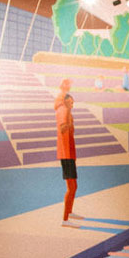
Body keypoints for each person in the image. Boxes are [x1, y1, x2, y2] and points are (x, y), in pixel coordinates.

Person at [55, 77, 78, 222]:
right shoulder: (63, 110)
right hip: (66, 153)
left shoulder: (67, 111)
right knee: (71, 187)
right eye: (71, 102)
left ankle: (69, 212)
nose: (73, 104)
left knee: (74, 186)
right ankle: (65, 218)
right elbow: (63, 128)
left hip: (70, 153)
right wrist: (69, 118)